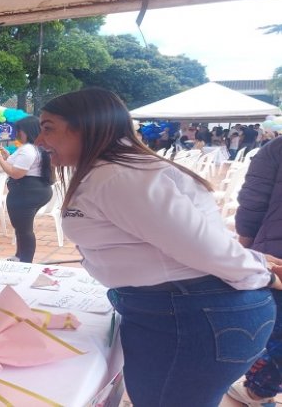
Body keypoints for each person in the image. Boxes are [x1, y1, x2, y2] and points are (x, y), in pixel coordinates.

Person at [37, 87, 282, 406]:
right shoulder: (115, 172)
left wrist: (265, 275)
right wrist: (257, 262)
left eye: (48, 128)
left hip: (193, 315)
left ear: (86, 126)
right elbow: (187, 236)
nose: (40, 141)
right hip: (184, 312)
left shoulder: (117, 178)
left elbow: (203, 247)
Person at [227, 135, 282, 406]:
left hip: (277, 256)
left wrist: (246, 255)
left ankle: (259, 393)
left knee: (273, 331)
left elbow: (252, 204)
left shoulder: (277, 148)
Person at [0, 117, 53, 263]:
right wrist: (7, 156)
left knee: (24, 229)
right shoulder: (37, 147)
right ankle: (19, 256)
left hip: (26, 192)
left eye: (19, 131)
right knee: (21, 227)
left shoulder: (28, 149)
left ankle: (26, 262)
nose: (18, 134)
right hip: (37, 190)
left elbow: (16, 173)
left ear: (27, 131)